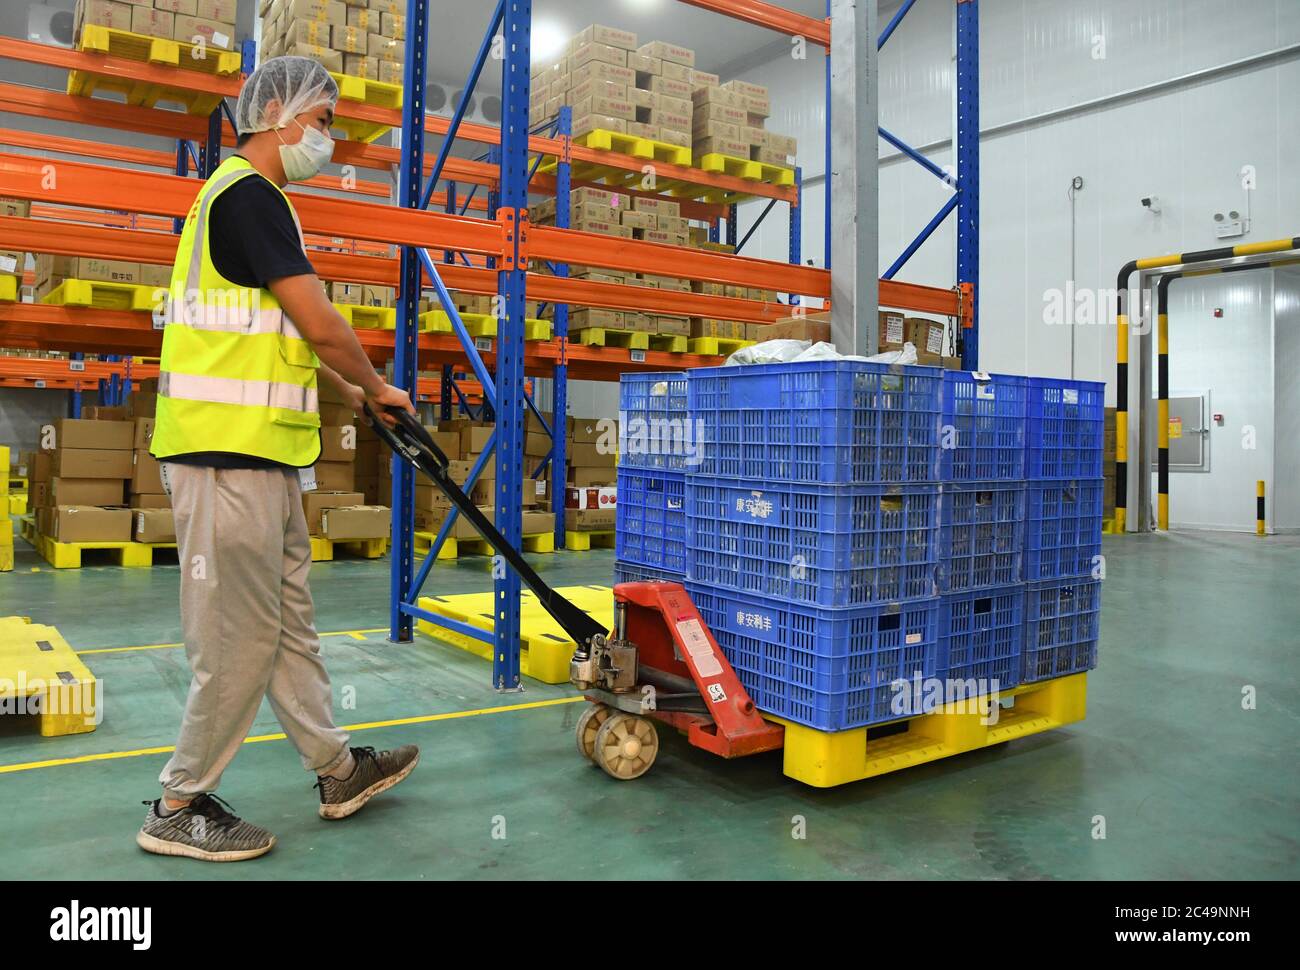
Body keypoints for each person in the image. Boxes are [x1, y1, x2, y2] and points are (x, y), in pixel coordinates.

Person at [137, 56, 419, 863]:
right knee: (237, 637)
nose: (329, 139)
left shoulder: (249, 203)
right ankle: (178, 801)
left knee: (289, 624)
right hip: (225, 459)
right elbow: (321, 320)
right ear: (278, 119)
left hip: (262, 461)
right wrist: (370, 380)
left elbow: (288, 338)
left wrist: (360, 391)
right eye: (324, 121)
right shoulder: (249, 198)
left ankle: (336, 770)